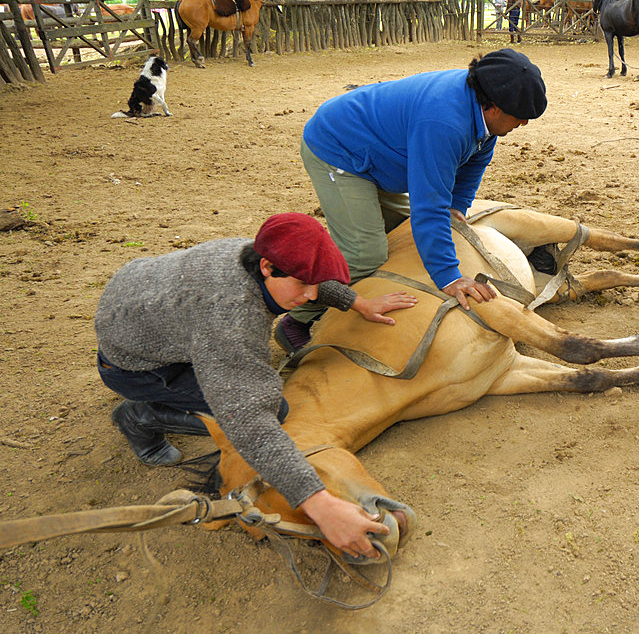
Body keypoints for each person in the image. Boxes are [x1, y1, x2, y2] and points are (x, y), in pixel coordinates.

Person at [95, 213, 417, 557]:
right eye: (302, 286)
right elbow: (250, 422)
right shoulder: (232, 317)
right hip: (133, 366)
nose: (310, 296)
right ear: (266, 267)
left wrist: (358, 303)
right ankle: (141, 416)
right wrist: (321, 505)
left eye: (315, 286)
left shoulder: (252, 253)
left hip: (142, 304)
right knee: (271, 410)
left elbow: (310, 280)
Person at [276, 49, 547, 351]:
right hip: (339, 152)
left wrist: (456, 205)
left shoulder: (481, 109)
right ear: (493, 107)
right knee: (366, 253)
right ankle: (296, 320)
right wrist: (448, 277)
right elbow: (428, 209)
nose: (523, 123)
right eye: (520, 116)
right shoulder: (445, 121)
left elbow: (476, 159)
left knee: (404, 231)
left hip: (377, 155)